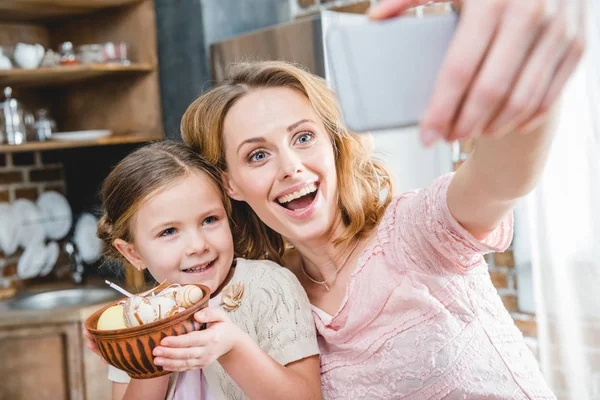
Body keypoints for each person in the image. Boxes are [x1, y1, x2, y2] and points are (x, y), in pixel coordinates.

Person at [175, 1, 584, 397]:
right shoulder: (272, 295)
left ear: (334, 147)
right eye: (258, 155)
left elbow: (503, 178)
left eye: (303, 137)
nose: (290, 166)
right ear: (231, 185)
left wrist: (520, 48)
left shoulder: (417, 230)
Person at [94, 141, 321, 400]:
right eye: (169, 231)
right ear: (133, 253)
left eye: (210, 220)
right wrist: (146, 355)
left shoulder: (269, 286)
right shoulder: (134, 319)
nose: (198, 246)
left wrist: (233, 348)